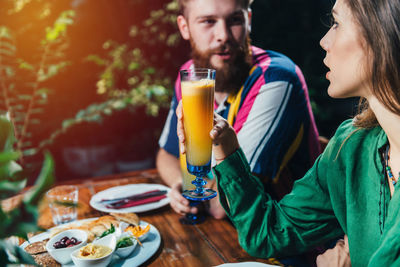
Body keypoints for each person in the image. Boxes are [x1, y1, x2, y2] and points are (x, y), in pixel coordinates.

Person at [177, 0, 400, 265]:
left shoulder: (275, 76)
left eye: (337, 23)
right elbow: (269, 233)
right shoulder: (351, 146)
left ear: (382, 34)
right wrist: (225, 146)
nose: (324, 40)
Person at [157, 0, 320, 219]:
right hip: (230, 235)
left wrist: (194, 184)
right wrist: (180, 183)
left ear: (248, 20)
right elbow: (166, 155)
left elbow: (224, 204)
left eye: (235, 20)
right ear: (184, 27)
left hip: (288, 238)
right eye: (208, 21)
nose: (223, 35)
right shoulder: (192, 76)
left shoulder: (275, 79)